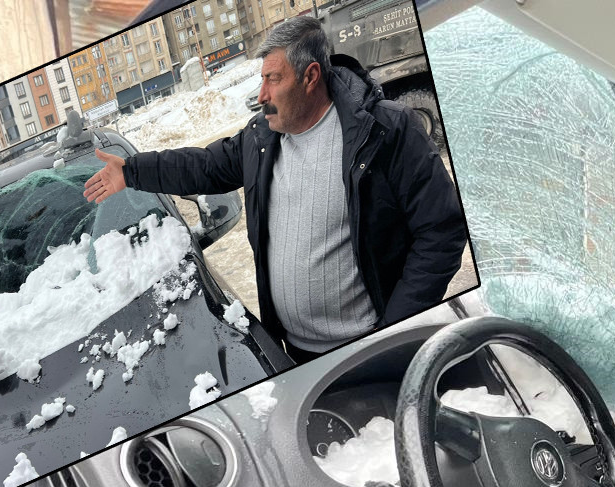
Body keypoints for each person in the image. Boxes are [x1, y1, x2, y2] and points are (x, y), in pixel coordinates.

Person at [84, 17, 468, 362]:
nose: (261, 95)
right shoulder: (262, 137)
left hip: (373, 347)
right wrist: (131, 171)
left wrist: (396, 329)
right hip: (295, 354)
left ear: (311, 76)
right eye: (261, 79)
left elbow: (441, 231)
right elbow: (203, 166)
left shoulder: (386, 131)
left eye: (273, 79)